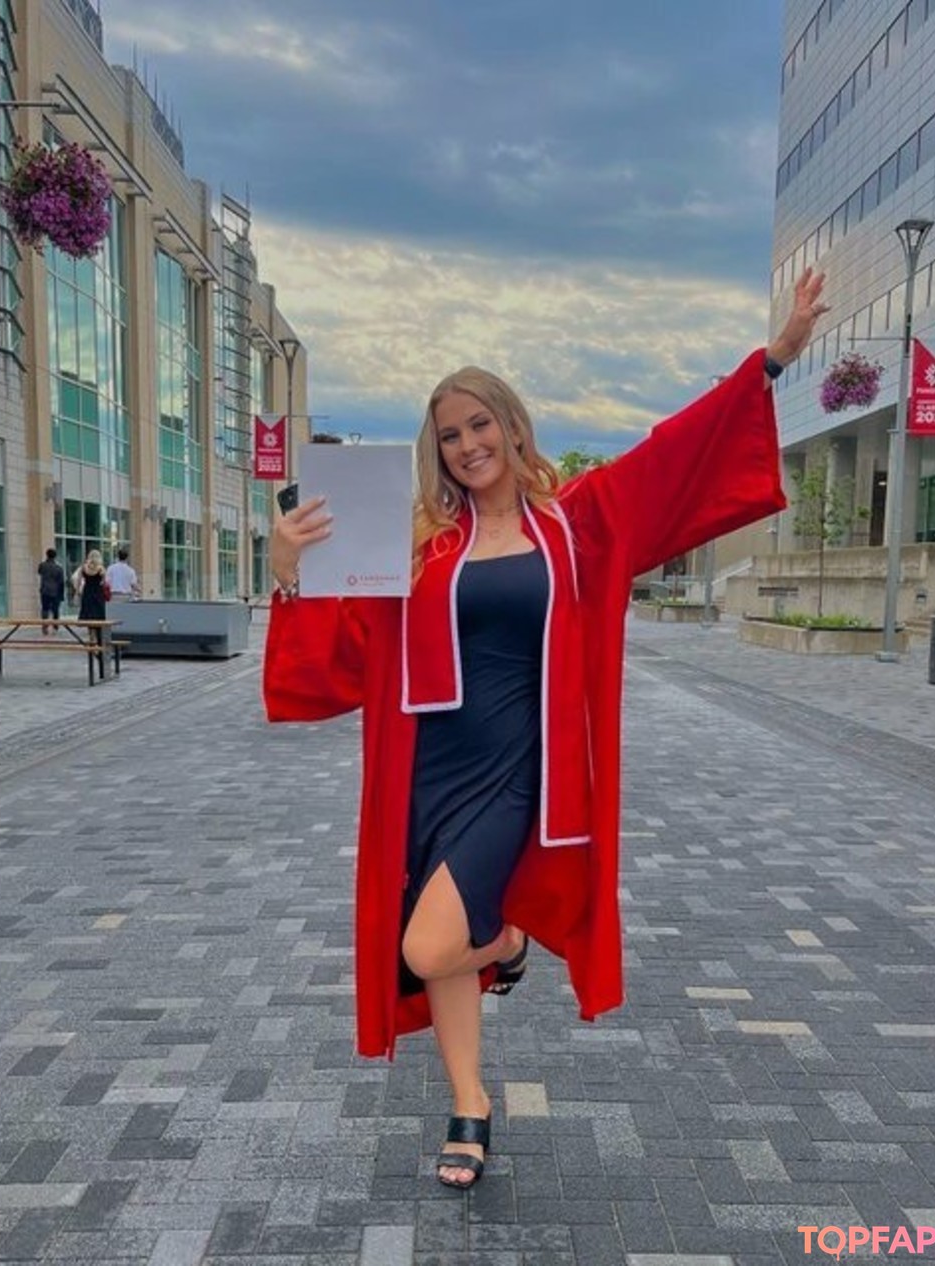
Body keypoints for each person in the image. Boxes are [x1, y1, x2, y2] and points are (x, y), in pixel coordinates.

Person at [264, 269, 828, 1190]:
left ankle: (509, 941)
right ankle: (469, 1103)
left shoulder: (577, 524)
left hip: (522, 769)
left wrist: (768, 362)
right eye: (450, 435)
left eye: (479, 424)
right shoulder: (419, 545)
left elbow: (670, 456)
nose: (468, 445)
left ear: (512, 427)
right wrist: (289, 568)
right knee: (437, 940)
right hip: (428, 771)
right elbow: (347, 647)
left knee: (429, 944)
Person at [37, 548, 65, 634]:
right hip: (56, 591)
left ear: (47, 555)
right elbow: (61, 582)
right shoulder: (59, 568)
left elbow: (39, 572)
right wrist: (62, 595)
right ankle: (55, 627)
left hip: (45, 590)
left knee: (45, 608)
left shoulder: (42, 565)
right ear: (55, 556)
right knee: (55, 610)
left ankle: (45, 626)